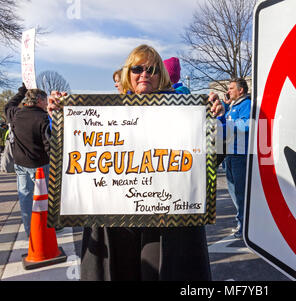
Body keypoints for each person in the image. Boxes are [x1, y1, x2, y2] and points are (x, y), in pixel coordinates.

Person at [62, 44, 223, 281]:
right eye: (137, 68)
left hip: (166, 223)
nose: (144, 74)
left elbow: (211, 158)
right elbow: (70, 152)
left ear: (162, 76)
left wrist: (215, 124)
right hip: (117, 223)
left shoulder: (185, 114)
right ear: (128, 74)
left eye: (152, 69)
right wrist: (59, 117)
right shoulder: (106, 114)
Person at [4, 85, 50, 237]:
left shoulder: (16, 114)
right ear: (39, 100)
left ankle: (30, 230)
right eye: (46, 101)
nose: (47, 104)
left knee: (25, 197)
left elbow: (8, 105)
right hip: (40, 164)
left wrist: (21, 92)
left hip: (21, 163)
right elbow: (48, 144)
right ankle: (48, 227)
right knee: (46, 197)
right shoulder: (43, 118)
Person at [210, 78, 251, 238]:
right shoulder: (233, 107)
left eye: (231, 88)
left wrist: (228, 125)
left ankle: (244, 225)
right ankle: (242, 222)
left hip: (240, 155)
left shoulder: (245, 105)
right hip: (230, 155)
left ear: (241, 90)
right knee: (234, 192)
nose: (228, 91)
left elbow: (248, 124)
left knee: (240, 193)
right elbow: (223, 124)